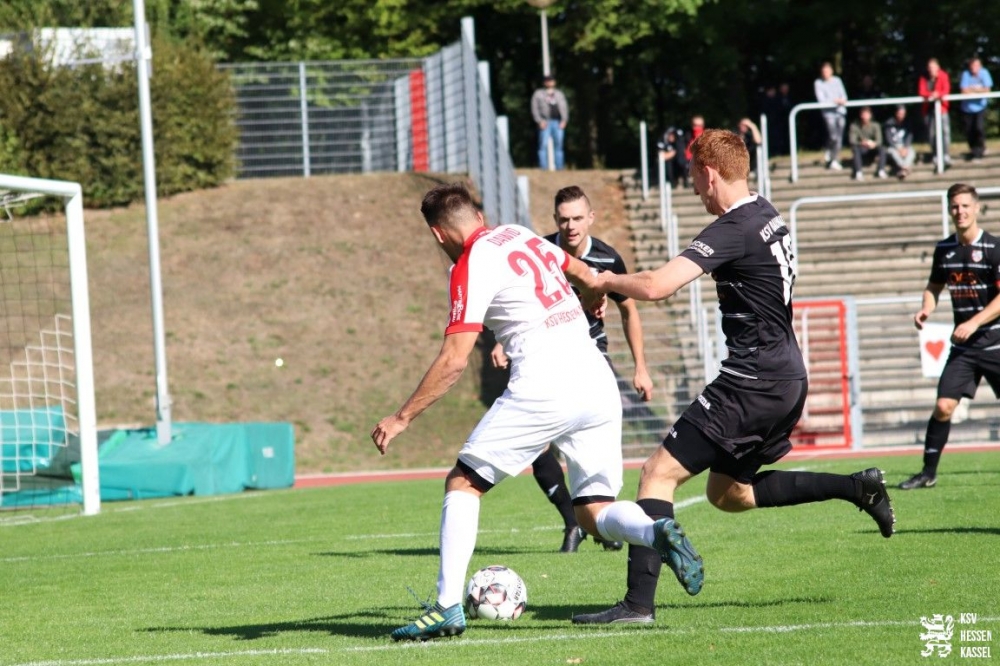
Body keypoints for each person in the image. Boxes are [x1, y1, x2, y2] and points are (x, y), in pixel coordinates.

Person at [569, 129, 896, 626]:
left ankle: (637, 605)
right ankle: (858, 488)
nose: (693, 189)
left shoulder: (735, 227)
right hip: (786, 378)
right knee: (728, 494)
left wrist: (604, 279)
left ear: (709, 173)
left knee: (656, 474)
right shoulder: (766, 212)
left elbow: (657, 285)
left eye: (692, 178)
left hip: (751, 381)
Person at [374, 183, 709, 641]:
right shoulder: (520, 234)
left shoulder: (470, 263)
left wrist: (401, 418)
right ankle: (656, 531)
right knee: (593, 512)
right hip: (596, 379)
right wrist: (591, 295)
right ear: (478, 216)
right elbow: (586, 273)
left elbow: (454, 360)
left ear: (438, 234)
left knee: (464, 482)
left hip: (544, 385)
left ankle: (446, 606)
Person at [490, 185, 654, 553]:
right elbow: (520, 303)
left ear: (591, 218)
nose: (571, 226)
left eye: (578, 218)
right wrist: (502, 342)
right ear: (555, 220)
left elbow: (629, 310)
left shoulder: (607, 258)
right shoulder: (539, 252)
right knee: (536, 447)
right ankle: (573, 522)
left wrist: (640, 368)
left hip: (590, 355)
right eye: (564, 219)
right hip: (545, 357)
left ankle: (603, 517)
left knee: (593, 440)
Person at [900, 184, 1000, 490]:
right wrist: (925, 309)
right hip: (964, 349)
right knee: (943, 406)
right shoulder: (944, 249)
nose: (960, 211)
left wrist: (974, 322)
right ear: (949, 210)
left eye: (965, 206)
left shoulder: (994, 248)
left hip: (995, 342)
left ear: (977, 208)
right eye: (955, 206)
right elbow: (934, 287)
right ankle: (927, 473)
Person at [919, 58, 952, 170]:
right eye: (929, 67)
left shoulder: (943, 76)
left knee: (945, 132)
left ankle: (946, 154)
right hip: (928, 110)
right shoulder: (924, 78)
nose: (931, 69)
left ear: (938, 67)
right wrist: (931, 94)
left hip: (942, 108)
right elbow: (921, 91)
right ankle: (935, 154)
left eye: (933, 67)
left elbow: (946, 90)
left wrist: (938, 94)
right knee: (931, 133)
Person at [814, 62, 849, 170]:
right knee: (833, 136)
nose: (826, 73)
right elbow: (821, 99)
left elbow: (843, 95)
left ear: (831, 71)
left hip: (840, 111)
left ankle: (835, 159)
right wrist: (834, 101)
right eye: (824, 71)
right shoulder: (818, 83)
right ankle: (829, 150)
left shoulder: (837, 80)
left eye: (827, 71)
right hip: (828, 113)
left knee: (839, 137)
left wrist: (841, 100)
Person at [531, 75, 569, 170]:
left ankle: (560, 167)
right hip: (545, 122)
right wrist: (539, 121)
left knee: (559, 146)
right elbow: (534, 109)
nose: (550, 82)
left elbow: (565, 108)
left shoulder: (559, 94)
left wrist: (564, 120)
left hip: (558, 123)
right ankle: (543, 167)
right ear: (544, 83)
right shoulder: (538, 94)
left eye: (551, 80)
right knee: (543, 145)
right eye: (548, 80)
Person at [959, 57, 993, 161]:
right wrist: (978, 90)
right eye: (972, 66)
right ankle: (973, 150)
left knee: (979, 128)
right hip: (967, 108)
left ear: (980, 66)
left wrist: (973, 90)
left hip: (980, 107)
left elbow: (987, 89)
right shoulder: (966, 74)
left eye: (977, 66)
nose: (974, 68)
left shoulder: (984, 73)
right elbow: (964, 90)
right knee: (969, 130)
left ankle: (979, 151)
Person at [849, 106, 888, 181]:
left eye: (867, 114)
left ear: (870, 115)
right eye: (863, 114)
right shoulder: (854, 126)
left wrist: (874, 143)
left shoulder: (875, 125)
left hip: (872, 148)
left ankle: (881, 170)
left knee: (882, 148)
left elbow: (879, 140)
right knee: (855, 149)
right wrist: (861, 143)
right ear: (860, 115)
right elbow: (852, 140)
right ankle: (858, 172)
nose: (865, 116)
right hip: (861, 148)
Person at [884, 105, 916, 179]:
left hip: (904, 145)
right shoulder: (889, 123)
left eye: (903, 114)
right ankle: (905, 168)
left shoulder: (907, 123)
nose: (901, 116)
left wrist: (905, 147)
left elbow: (909, 136)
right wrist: (897, 148)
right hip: (894, 146)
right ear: (896, 113)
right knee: (893, 152)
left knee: (911, 152)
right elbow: (888, 139)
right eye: (900, 113)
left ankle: (903, 169)